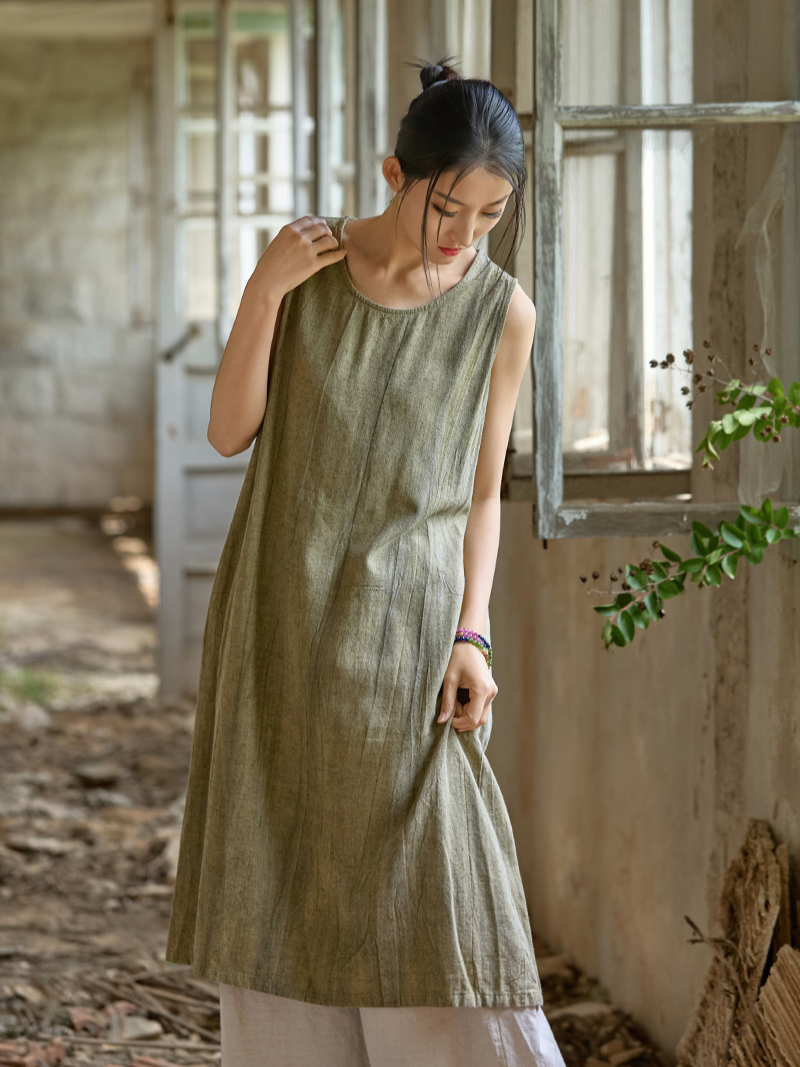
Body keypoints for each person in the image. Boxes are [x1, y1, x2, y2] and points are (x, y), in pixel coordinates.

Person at [165, 56, 567, 1067]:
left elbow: (482, 491)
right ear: (395, 175)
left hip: (414, 638)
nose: (464, 236)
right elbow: (226, 430)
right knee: (278, 881)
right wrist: (262, 285)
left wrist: (471, 633)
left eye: (490, 214)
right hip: (279, 621)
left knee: (445, 900)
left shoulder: (500, 312)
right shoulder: (306, 274)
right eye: (448, 208)